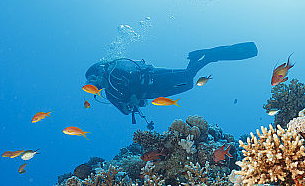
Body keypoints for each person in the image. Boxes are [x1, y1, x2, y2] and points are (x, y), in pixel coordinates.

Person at [85, 41, 258, 129]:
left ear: (99, 72)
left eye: (93, 79)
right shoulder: (109, 93)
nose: (93, 84)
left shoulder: (114, 72)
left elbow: (133, 80)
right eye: (90, 83)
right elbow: (124, 110)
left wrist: (133, 96)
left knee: (187, 78)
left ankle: (209, 56)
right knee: (188, 82)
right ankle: (200, 57)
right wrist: (131, 102)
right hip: (153, 88)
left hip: (154, 80)